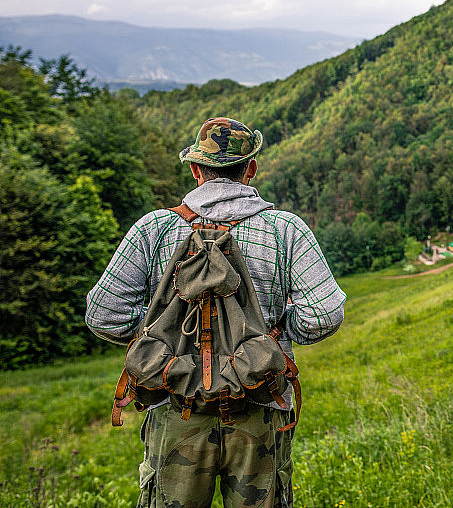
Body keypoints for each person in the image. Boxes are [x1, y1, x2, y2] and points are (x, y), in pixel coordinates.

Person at [86, 117, 346, 507]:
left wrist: (157, 338)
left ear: (195, 170)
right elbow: (324, 315)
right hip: (260, 404)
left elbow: (103, 313)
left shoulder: (153, 229)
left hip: (175, 407)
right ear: (251, 168)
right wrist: (275, 334)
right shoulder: (284, 230)